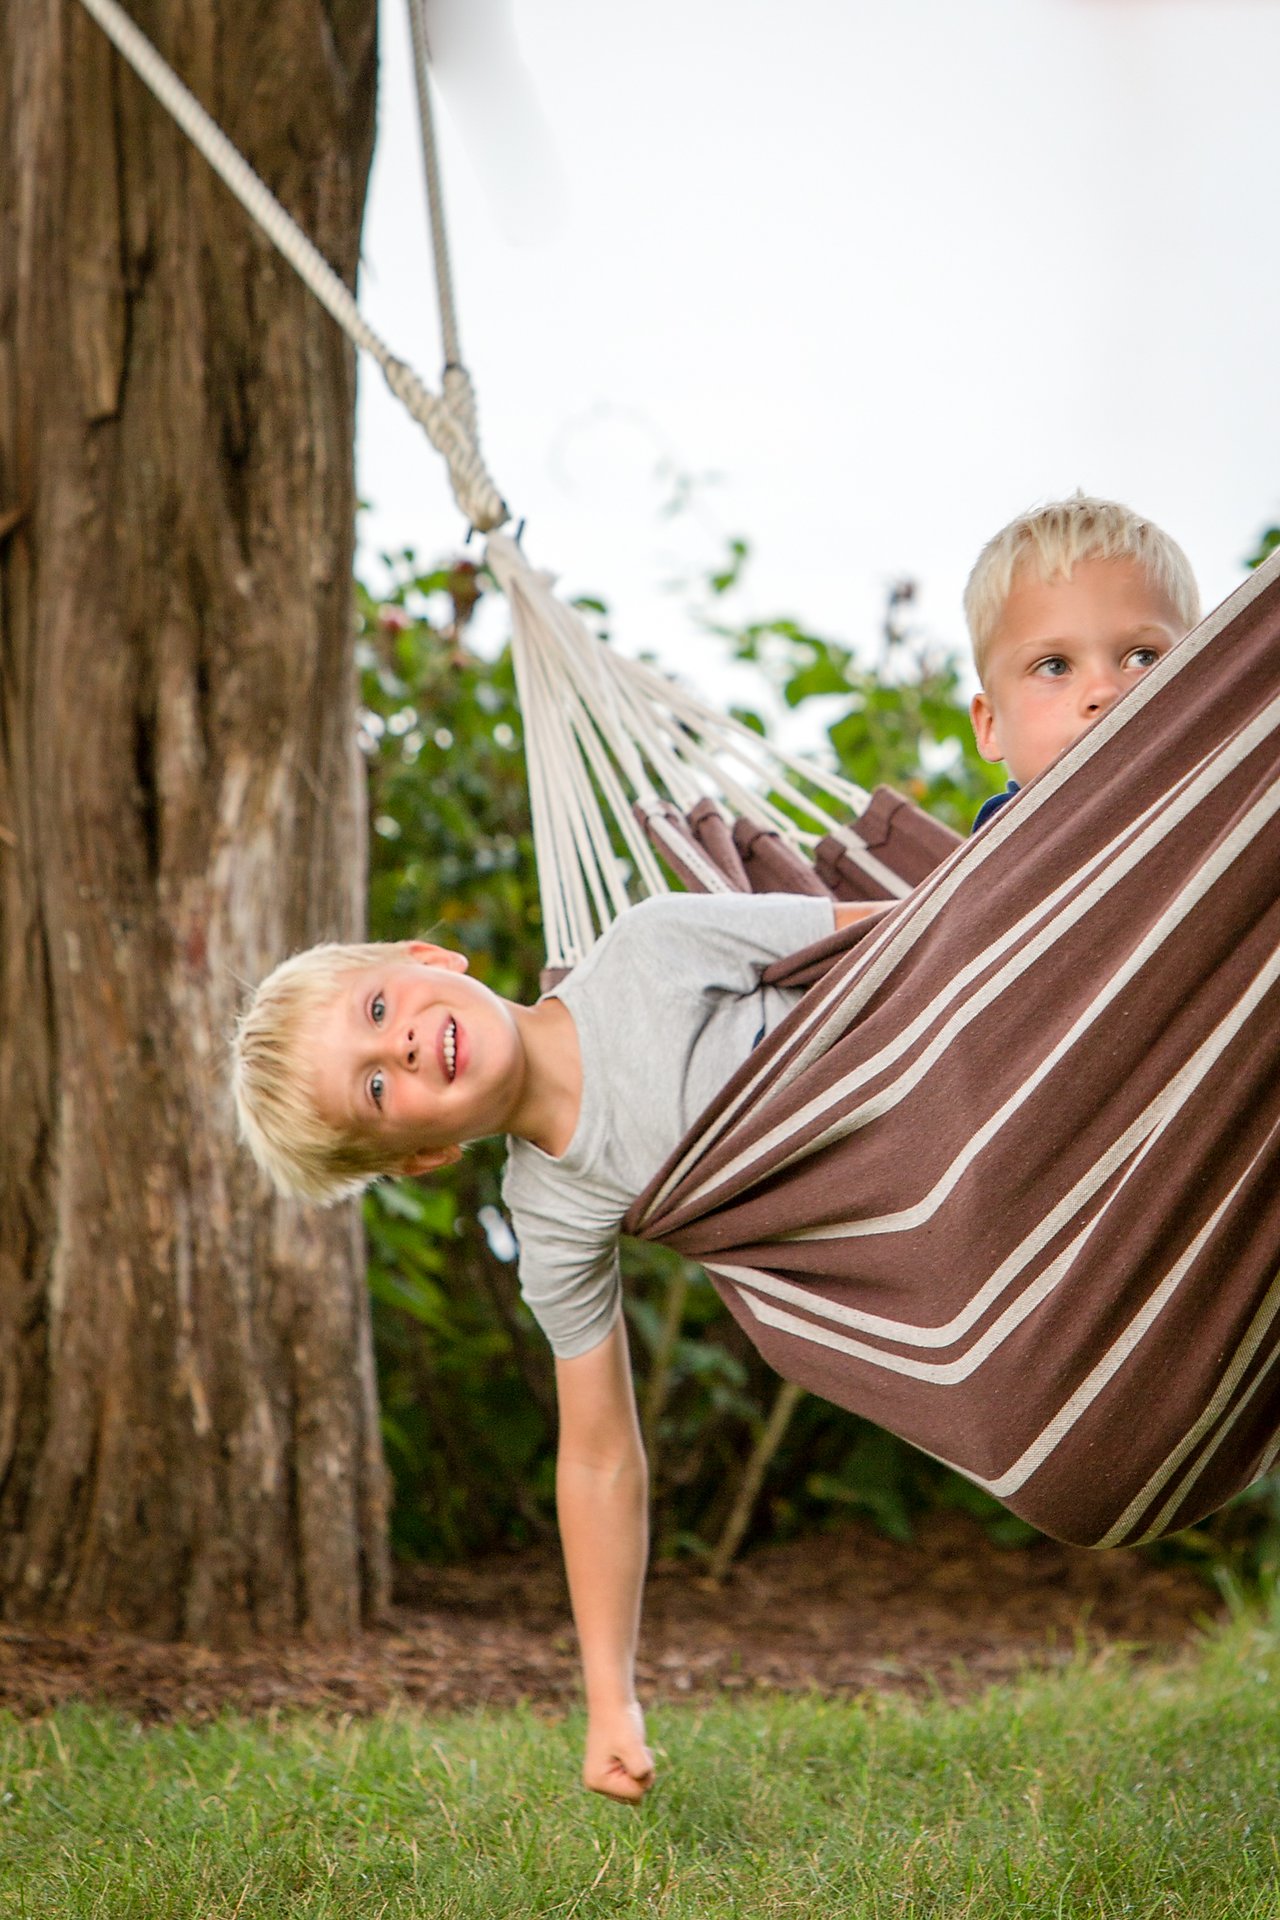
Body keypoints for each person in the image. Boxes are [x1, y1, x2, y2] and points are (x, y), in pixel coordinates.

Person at [232, 890, 880, 1803]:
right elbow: (599, 1456)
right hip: (909, 1227)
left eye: (378, 1011)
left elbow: (902, 931)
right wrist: (610, 1701)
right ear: (422, 1157)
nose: (401, 1046)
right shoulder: (552, 1215)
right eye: (375, 1087)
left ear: (430, 958)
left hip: (927, 1054)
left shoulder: (653, 947)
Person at [963, 495, 1200, 830]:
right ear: (990, 726)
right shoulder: (993, 865)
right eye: (1054, 666)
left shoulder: (1239, 804)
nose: (1104, 691)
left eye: (1143, 657)